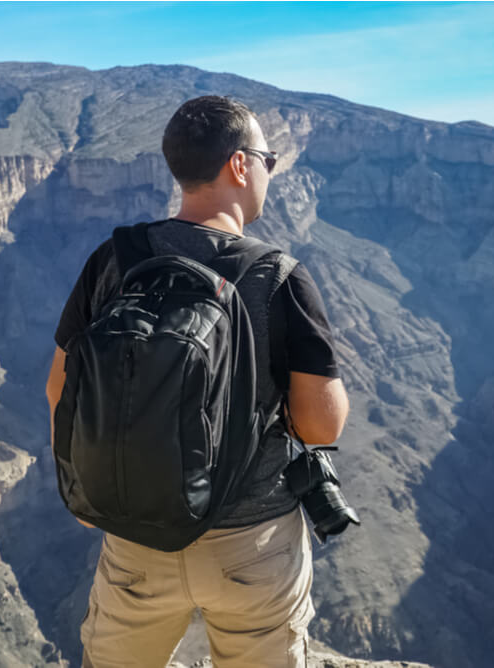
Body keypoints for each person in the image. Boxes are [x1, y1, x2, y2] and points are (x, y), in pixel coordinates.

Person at [45, 95, 349, 667]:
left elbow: (61, 390)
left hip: (136, 535)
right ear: (239, 165)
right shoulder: (279, 276)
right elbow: (321, 423)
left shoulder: (115, 257)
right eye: (269, 159)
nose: (271, 171)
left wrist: (83, 490)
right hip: (250, 545)